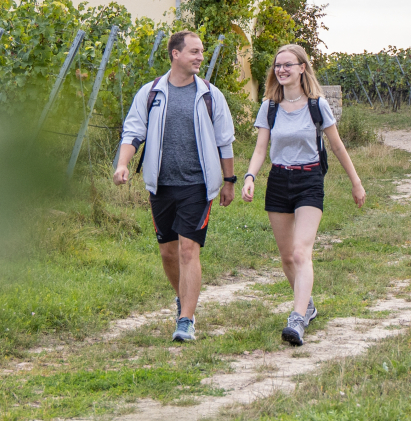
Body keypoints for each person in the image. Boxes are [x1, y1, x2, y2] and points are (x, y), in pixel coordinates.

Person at [115, 30, 237, 342]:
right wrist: (123, 164)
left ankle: (186, 320)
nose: (200, 57)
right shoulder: (151, 93)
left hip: (198, 185)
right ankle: (183, 299)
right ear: (175, 54)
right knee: (168, 253)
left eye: (201, 52)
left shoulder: (210, 94)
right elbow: (133, 131)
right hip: (160, 184)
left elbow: (225, 141)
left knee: (187, 249)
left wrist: (229, 181)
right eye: (194, 51)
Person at [241, 43, 366, 346]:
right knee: (286, 257)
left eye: (288, 64)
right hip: (279, 180)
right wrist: (250, 176)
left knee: (300, 252)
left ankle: (296, 320)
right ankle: (307, 305)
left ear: (301, 68)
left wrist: (356, 182)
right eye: (277, 65)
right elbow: (261, 148)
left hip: (310, 179)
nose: (281, 70)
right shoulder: (269, 106)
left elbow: (337, 146)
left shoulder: (317, 105)